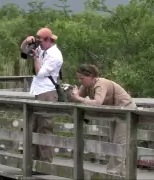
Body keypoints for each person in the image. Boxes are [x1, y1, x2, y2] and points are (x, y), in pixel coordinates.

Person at [70, 63, 137, 176]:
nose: (80, 81)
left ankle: (113, 173)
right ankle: (122, 174)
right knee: (113, 142)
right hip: (115, 112)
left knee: (119, 143)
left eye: (82, 78)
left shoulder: (100, 84)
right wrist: (71, 94)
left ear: (91, 76)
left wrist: (79, 98)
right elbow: (76, 99)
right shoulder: (86, 86)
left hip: (127, 110)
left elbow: (97, 102)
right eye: (78, 78)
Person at [20, 27, 63, 164]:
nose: (38, 43)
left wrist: (36, 58)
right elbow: (23, 52)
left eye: (40, 40)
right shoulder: (41, 49)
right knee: (32, 128)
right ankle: (32, 162)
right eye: (37, 40)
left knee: (44, 129)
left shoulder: (55, 55)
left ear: (48, 39)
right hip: (36, 92)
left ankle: (45, 164)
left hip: (48, 93)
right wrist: (26, 42)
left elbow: (39, 72)